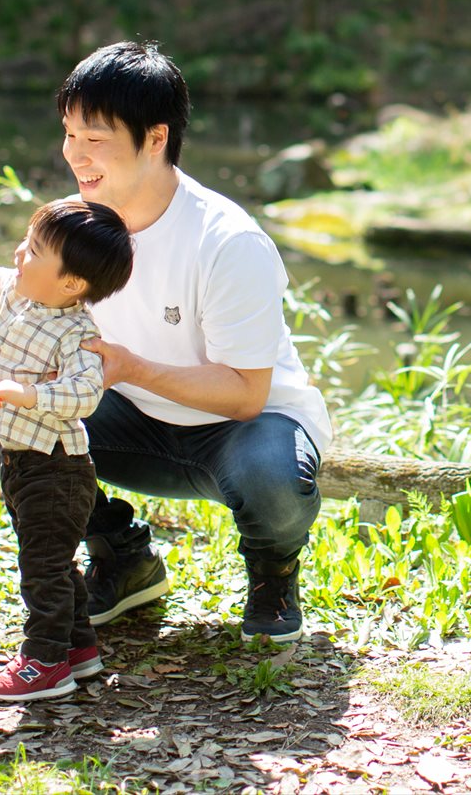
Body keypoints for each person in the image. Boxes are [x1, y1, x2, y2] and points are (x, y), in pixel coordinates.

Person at [50, 40, 332, 643]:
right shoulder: (76, 225)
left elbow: (245, 395)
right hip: (133, 421)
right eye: (70, 134)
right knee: (7, 415)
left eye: (94, 139)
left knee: (272, 479)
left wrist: (129, 367)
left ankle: (273, 572)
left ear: (155, 138)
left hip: (245, 430)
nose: (76, 155)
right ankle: (123, 556)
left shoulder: (227, 240)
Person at [0, 163, 135, 702]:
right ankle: (79, 646)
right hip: (22, 461)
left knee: (42, 565)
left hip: (57, 467)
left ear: (72, 283)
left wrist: (33, 396)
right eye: (25, 242)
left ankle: (44, 660)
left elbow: (85, 394)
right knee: (51, 556)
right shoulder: (15, 293)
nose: (18, 256)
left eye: (32, 251)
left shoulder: (78, 333)